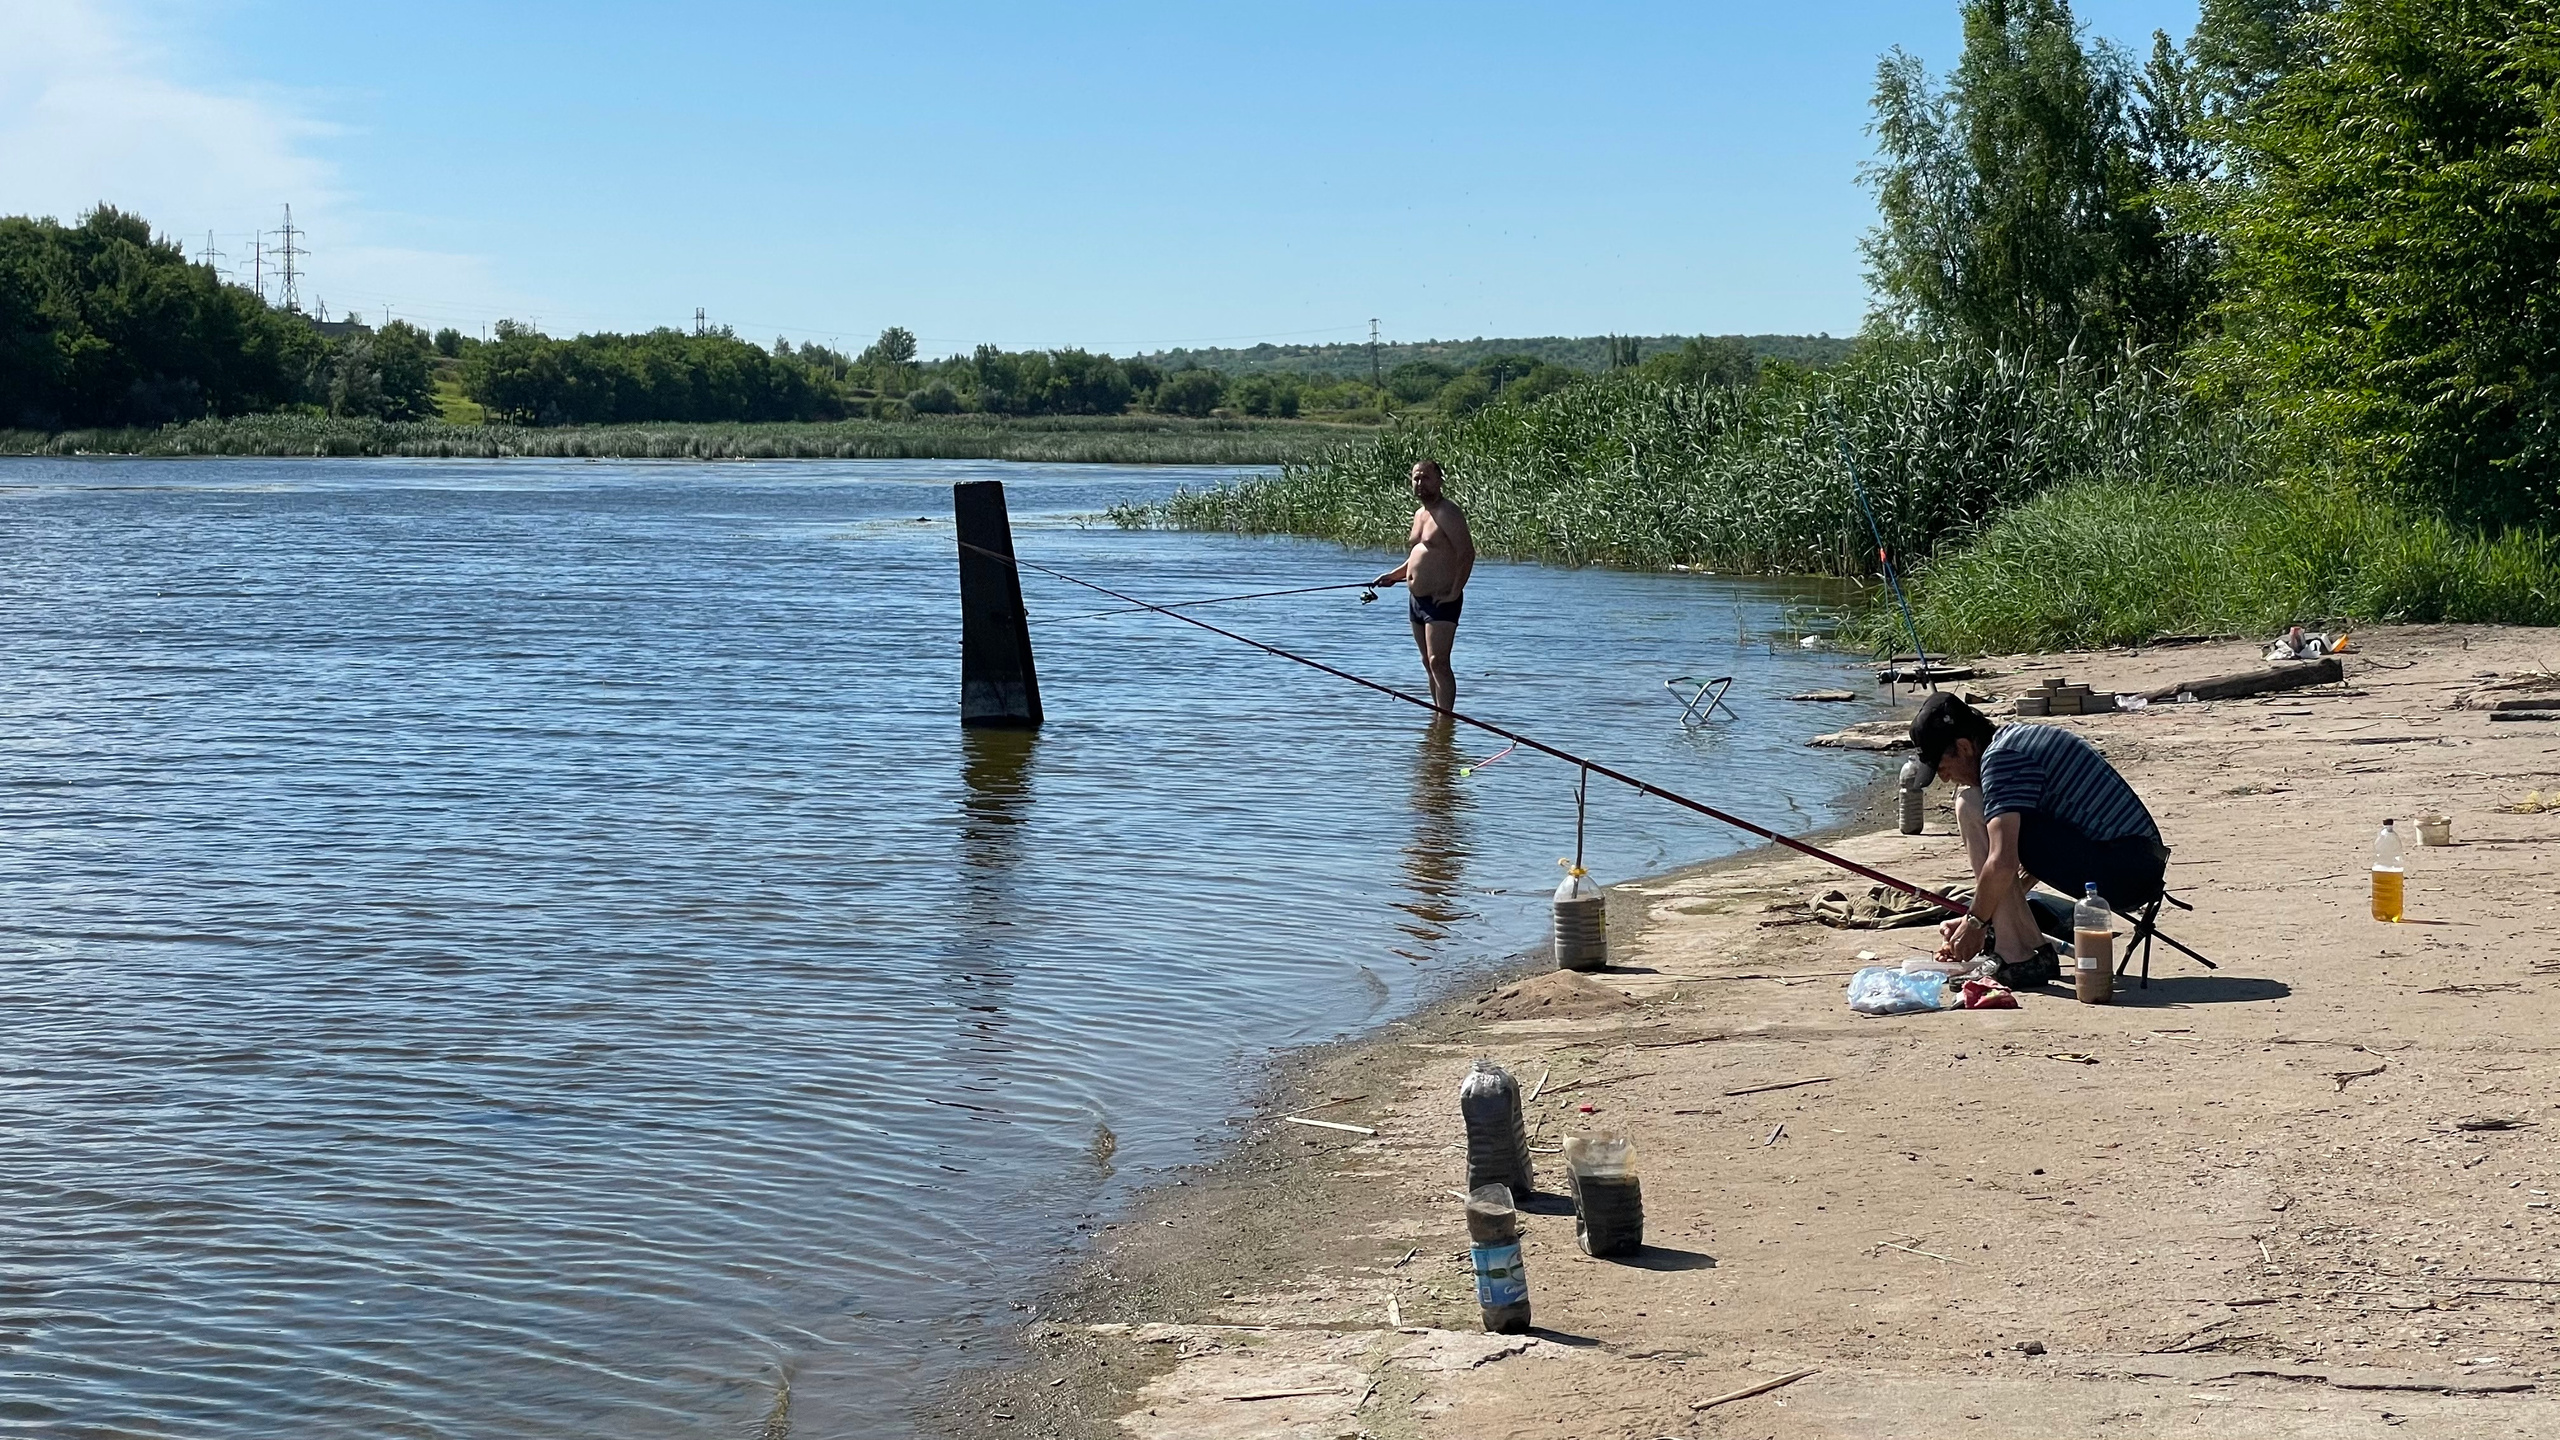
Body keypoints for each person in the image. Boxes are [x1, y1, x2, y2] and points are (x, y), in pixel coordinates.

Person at [1908, 691, 2169, 988]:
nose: (1945, 779)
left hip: (2124, 869)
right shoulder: (2011, 741)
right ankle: (2030, 950)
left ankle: (2017, 955)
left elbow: (2005, 861)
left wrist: (1975, 923)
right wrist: (1985, 914)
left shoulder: (2001, 759)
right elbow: (2032, 857)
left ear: (1964, 747)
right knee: (1984, 810)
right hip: (2136, 863)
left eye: (1942, 768)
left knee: (1969, 803)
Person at [1371, 459, 1475, 714]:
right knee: (1427, 664)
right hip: (1416, 601)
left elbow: (1466, 553)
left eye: (1426, 477)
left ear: (1439, 481)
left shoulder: (1448, 512)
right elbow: (1420, 554)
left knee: (1438, 662)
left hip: (1442, 601)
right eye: (1416, 478)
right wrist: (1394, 576)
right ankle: (1438, 718)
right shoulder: (1420, 514)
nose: (1420, 483)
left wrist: (1454, 590)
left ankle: (1447, 719)